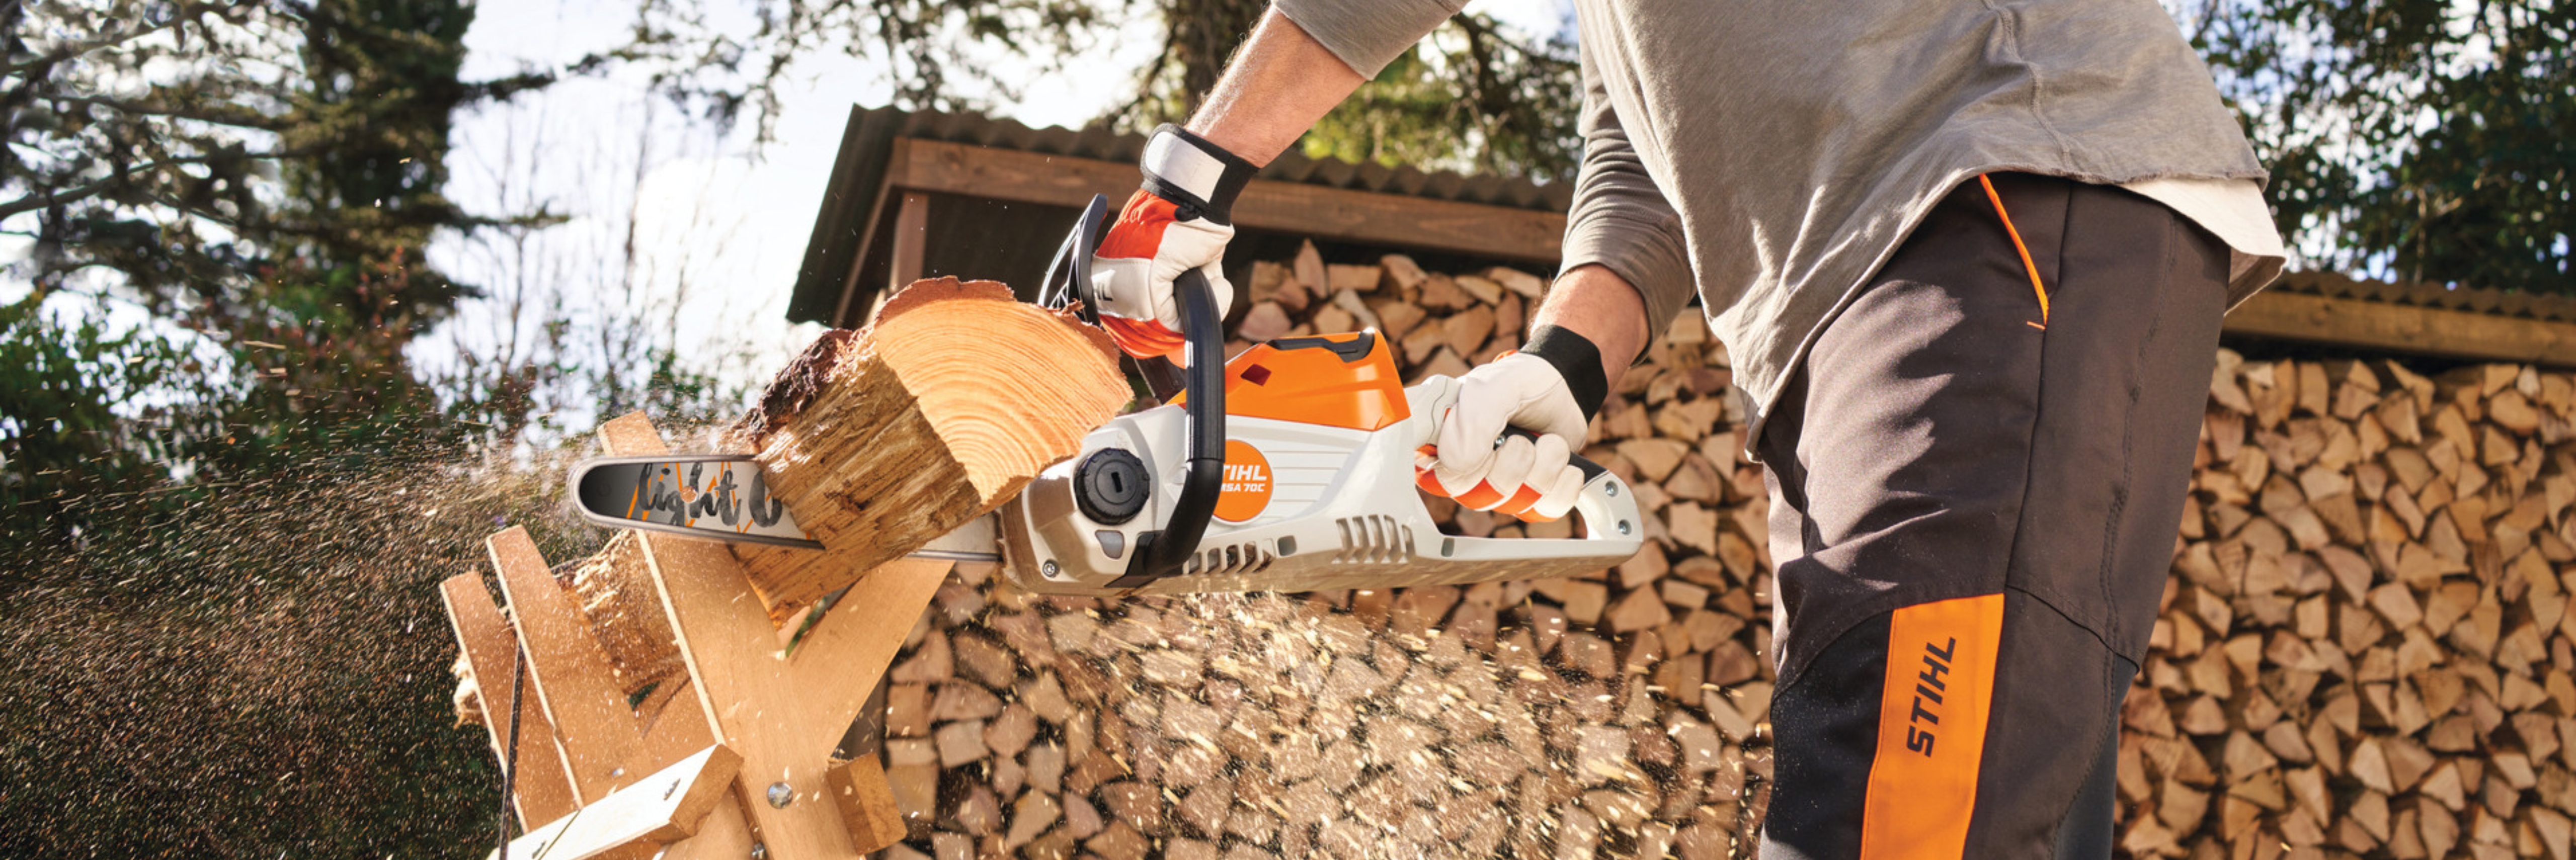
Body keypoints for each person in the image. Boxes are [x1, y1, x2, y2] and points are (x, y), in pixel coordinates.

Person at [1084, 1, 2287, 856]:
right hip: (1850, 311)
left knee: (1888, 807)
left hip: (1990, 188)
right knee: (1964, 798)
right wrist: (1564, 363)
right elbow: (1645, 158)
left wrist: (1194, 174)